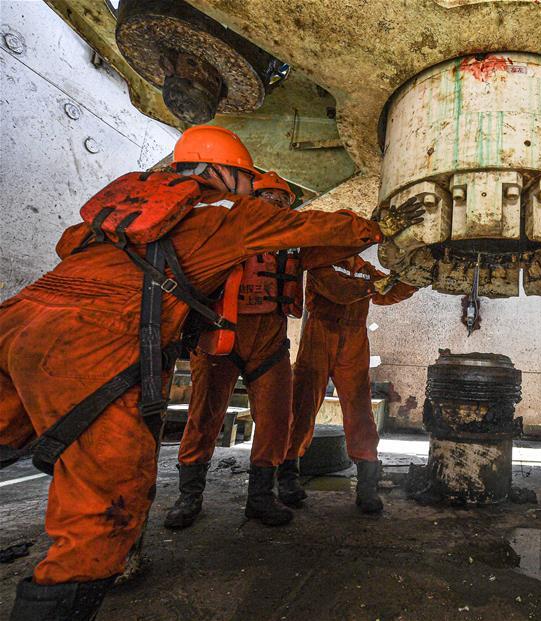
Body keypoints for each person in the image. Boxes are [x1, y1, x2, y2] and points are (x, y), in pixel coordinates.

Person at [0, 125, 423, 619]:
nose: (265, 198)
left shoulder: (138, 212)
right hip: (98, 340)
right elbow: (321, 231)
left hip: (18, 318)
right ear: (225, 175)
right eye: (253, 184)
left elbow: (67, 244)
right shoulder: (231, 219)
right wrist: (376, 225)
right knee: (104, 504)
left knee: (275, 419)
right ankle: (91, 575)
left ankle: (262, 494)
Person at [164, 170, 361, 529]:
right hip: (219, 337)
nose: (276, 205)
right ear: (252, 200)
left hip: (269, 341)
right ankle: (189, 497)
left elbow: (334, 239)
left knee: (275, 420)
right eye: (269, 198)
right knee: (203, 417)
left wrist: (369, 228)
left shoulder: (295, 241)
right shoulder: (228, 228)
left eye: (283, 201)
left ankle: (261, 497)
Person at [278, 256, 417, 514]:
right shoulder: (321, 262)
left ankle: (367, 486)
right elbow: (339, 291)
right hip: (320, 333)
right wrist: (374, 285)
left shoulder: (365, 269)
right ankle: (287, 478)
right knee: (303, 406)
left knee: (360, 411)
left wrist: (414, 280)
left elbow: (387, 294)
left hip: (354, 338)